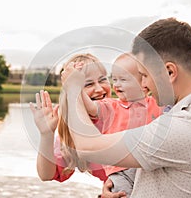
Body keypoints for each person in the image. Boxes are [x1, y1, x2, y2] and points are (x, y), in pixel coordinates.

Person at [59, 17, 191, 197]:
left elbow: (87, 148)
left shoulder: (187, 126)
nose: (143, 85)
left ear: (169, 72)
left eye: (144, 75)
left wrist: (73, 89)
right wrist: (118, 184)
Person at [69, 52, 162, 197]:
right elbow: (90, 106)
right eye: (114, 79)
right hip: (118, 172)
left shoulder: (156, 104)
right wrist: (74, 86)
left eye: (123, 79)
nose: (116, 84)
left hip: (144, 166)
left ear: (143, 85)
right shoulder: (110, 106)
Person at [30, 53, 111, 184]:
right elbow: (46, 175)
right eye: (88, 84)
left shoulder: (125, 112)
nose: (99, 88)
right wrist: (46, 135)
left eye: (102, 80)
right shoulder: (72, 132)